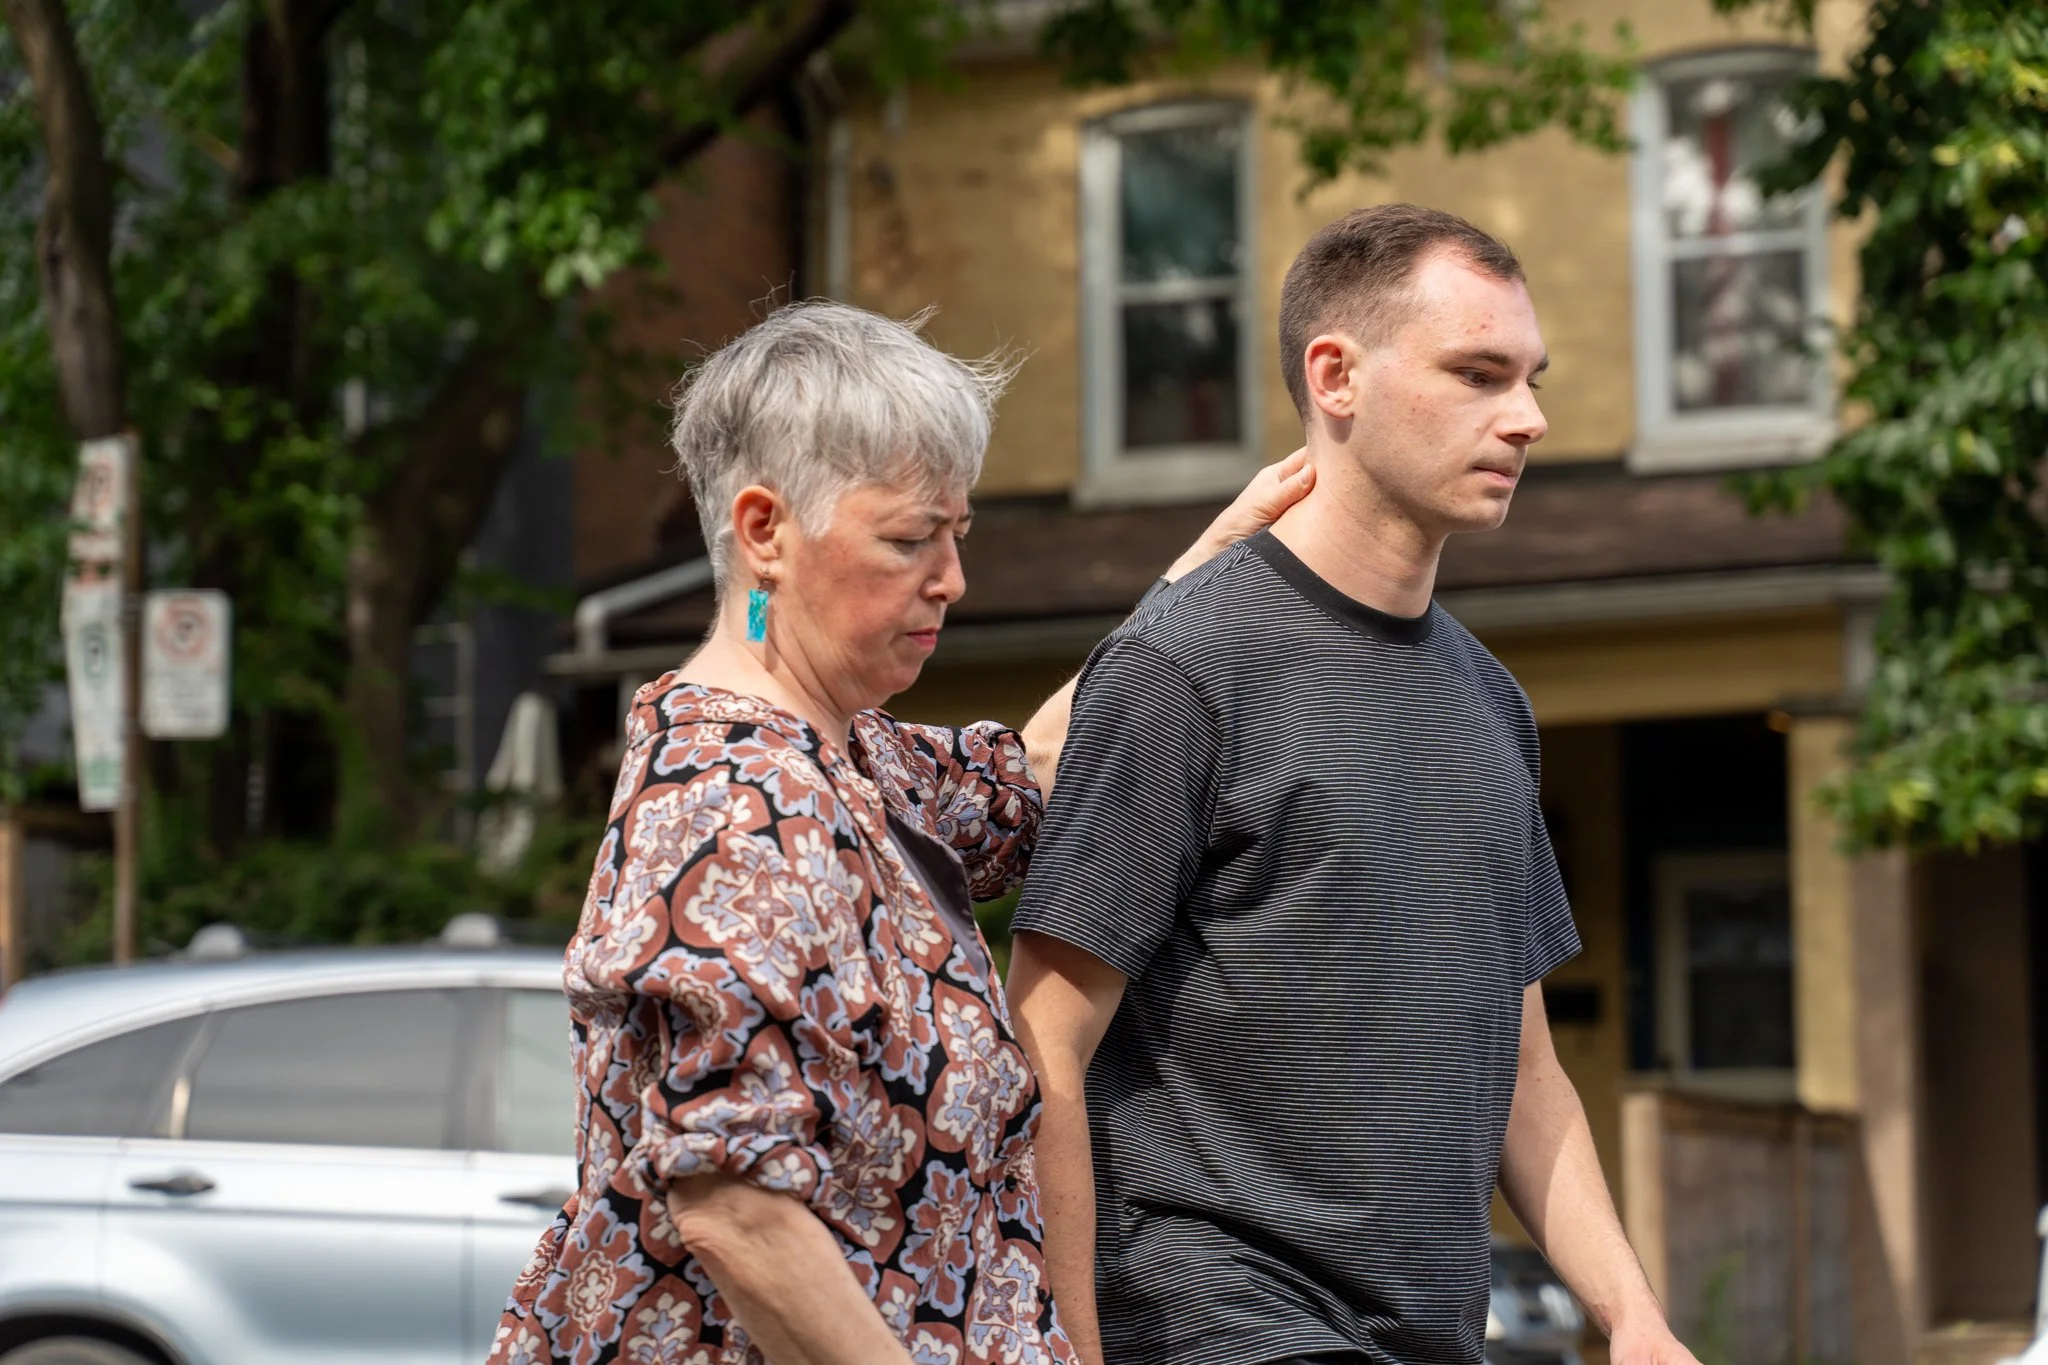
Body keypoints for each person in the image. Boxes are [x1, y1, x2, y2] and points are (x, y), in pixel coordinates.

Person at [487, 300, 1312, 1365]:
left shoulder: (853, 758)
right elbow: (734, 1207)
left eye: (956, 534)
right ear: (764, 531)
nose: (952, 579)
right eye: (909, 538)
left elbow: (1034, 773)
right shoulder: (725, 806)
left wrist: (1207, 568)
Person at [1006, 205, 1703, 1365]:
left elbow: (1524, 1073)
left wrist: (1632, 1319)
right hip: (1214, 1319)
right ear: (1334, 376)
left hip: (1431, 1331)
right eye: (1477, 374)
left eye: (1529, 378)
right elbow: (1043, 1035)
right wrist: (1070, 1346)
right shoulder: (1185, 664)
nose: (1526, 419)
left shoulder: (1490, 705)